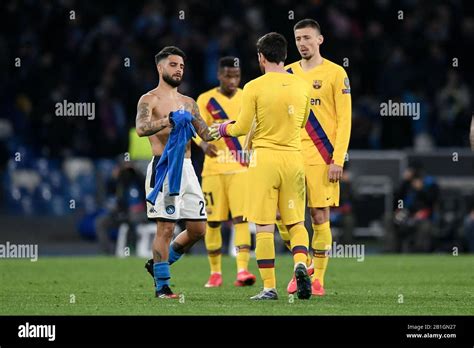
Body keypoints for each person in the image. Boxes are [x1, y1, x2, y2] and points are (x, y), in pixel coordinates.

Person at [210, 32, 312, 300]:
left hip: (264, 160)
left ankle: (269, 288)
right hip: (293, 158)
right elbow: (302, 123)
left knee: (265, 227)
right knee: (296, 223)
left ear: (260, 57)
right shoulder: (302, 85)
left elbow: (242, 127)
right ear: (285, 55)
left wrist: (221, 128)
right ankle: (301, 264)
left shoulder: (254, 87)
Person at [135, 46, 216, 299]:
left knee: (198, 230)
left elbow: (205, 132)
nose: (179, 69)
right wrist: (168, 120)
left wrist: (233, 127)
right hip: (164, 166)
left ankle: (158, 264)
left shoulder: (189, 103)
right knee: (166, 228)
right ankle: (162, 286)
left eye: (181, 65)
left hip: (188, 168)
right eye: (173, 65)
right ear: (160, 68)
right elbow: (141, 128)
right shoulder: (149, 99)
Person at [279, 19, 352, 296]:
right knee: (279, 214)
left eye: (307, 38)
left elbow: (345, 120)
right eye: (298, 39)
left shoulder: (336, 73)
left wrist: (338, 159)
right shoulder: (286, 73)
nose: (302, 44)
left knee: (318, 215)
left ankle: (318, 279)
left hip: (322, 155)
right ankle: (305, 264)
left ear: (320, 40)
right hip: (289, 154)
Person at [196, 56, 256, 287]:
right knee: (212, 222)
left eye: (236, 76)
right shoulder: (206, 99)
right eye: (228, 76)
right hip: (213, 169)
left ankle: (242, 270)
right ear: (219, 75)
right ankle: (215, 273)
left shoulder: (247, 97)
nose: (232, 80)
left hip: (240, 168)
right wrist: (201, 144)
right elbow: (196, 125)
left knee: (241, 219)